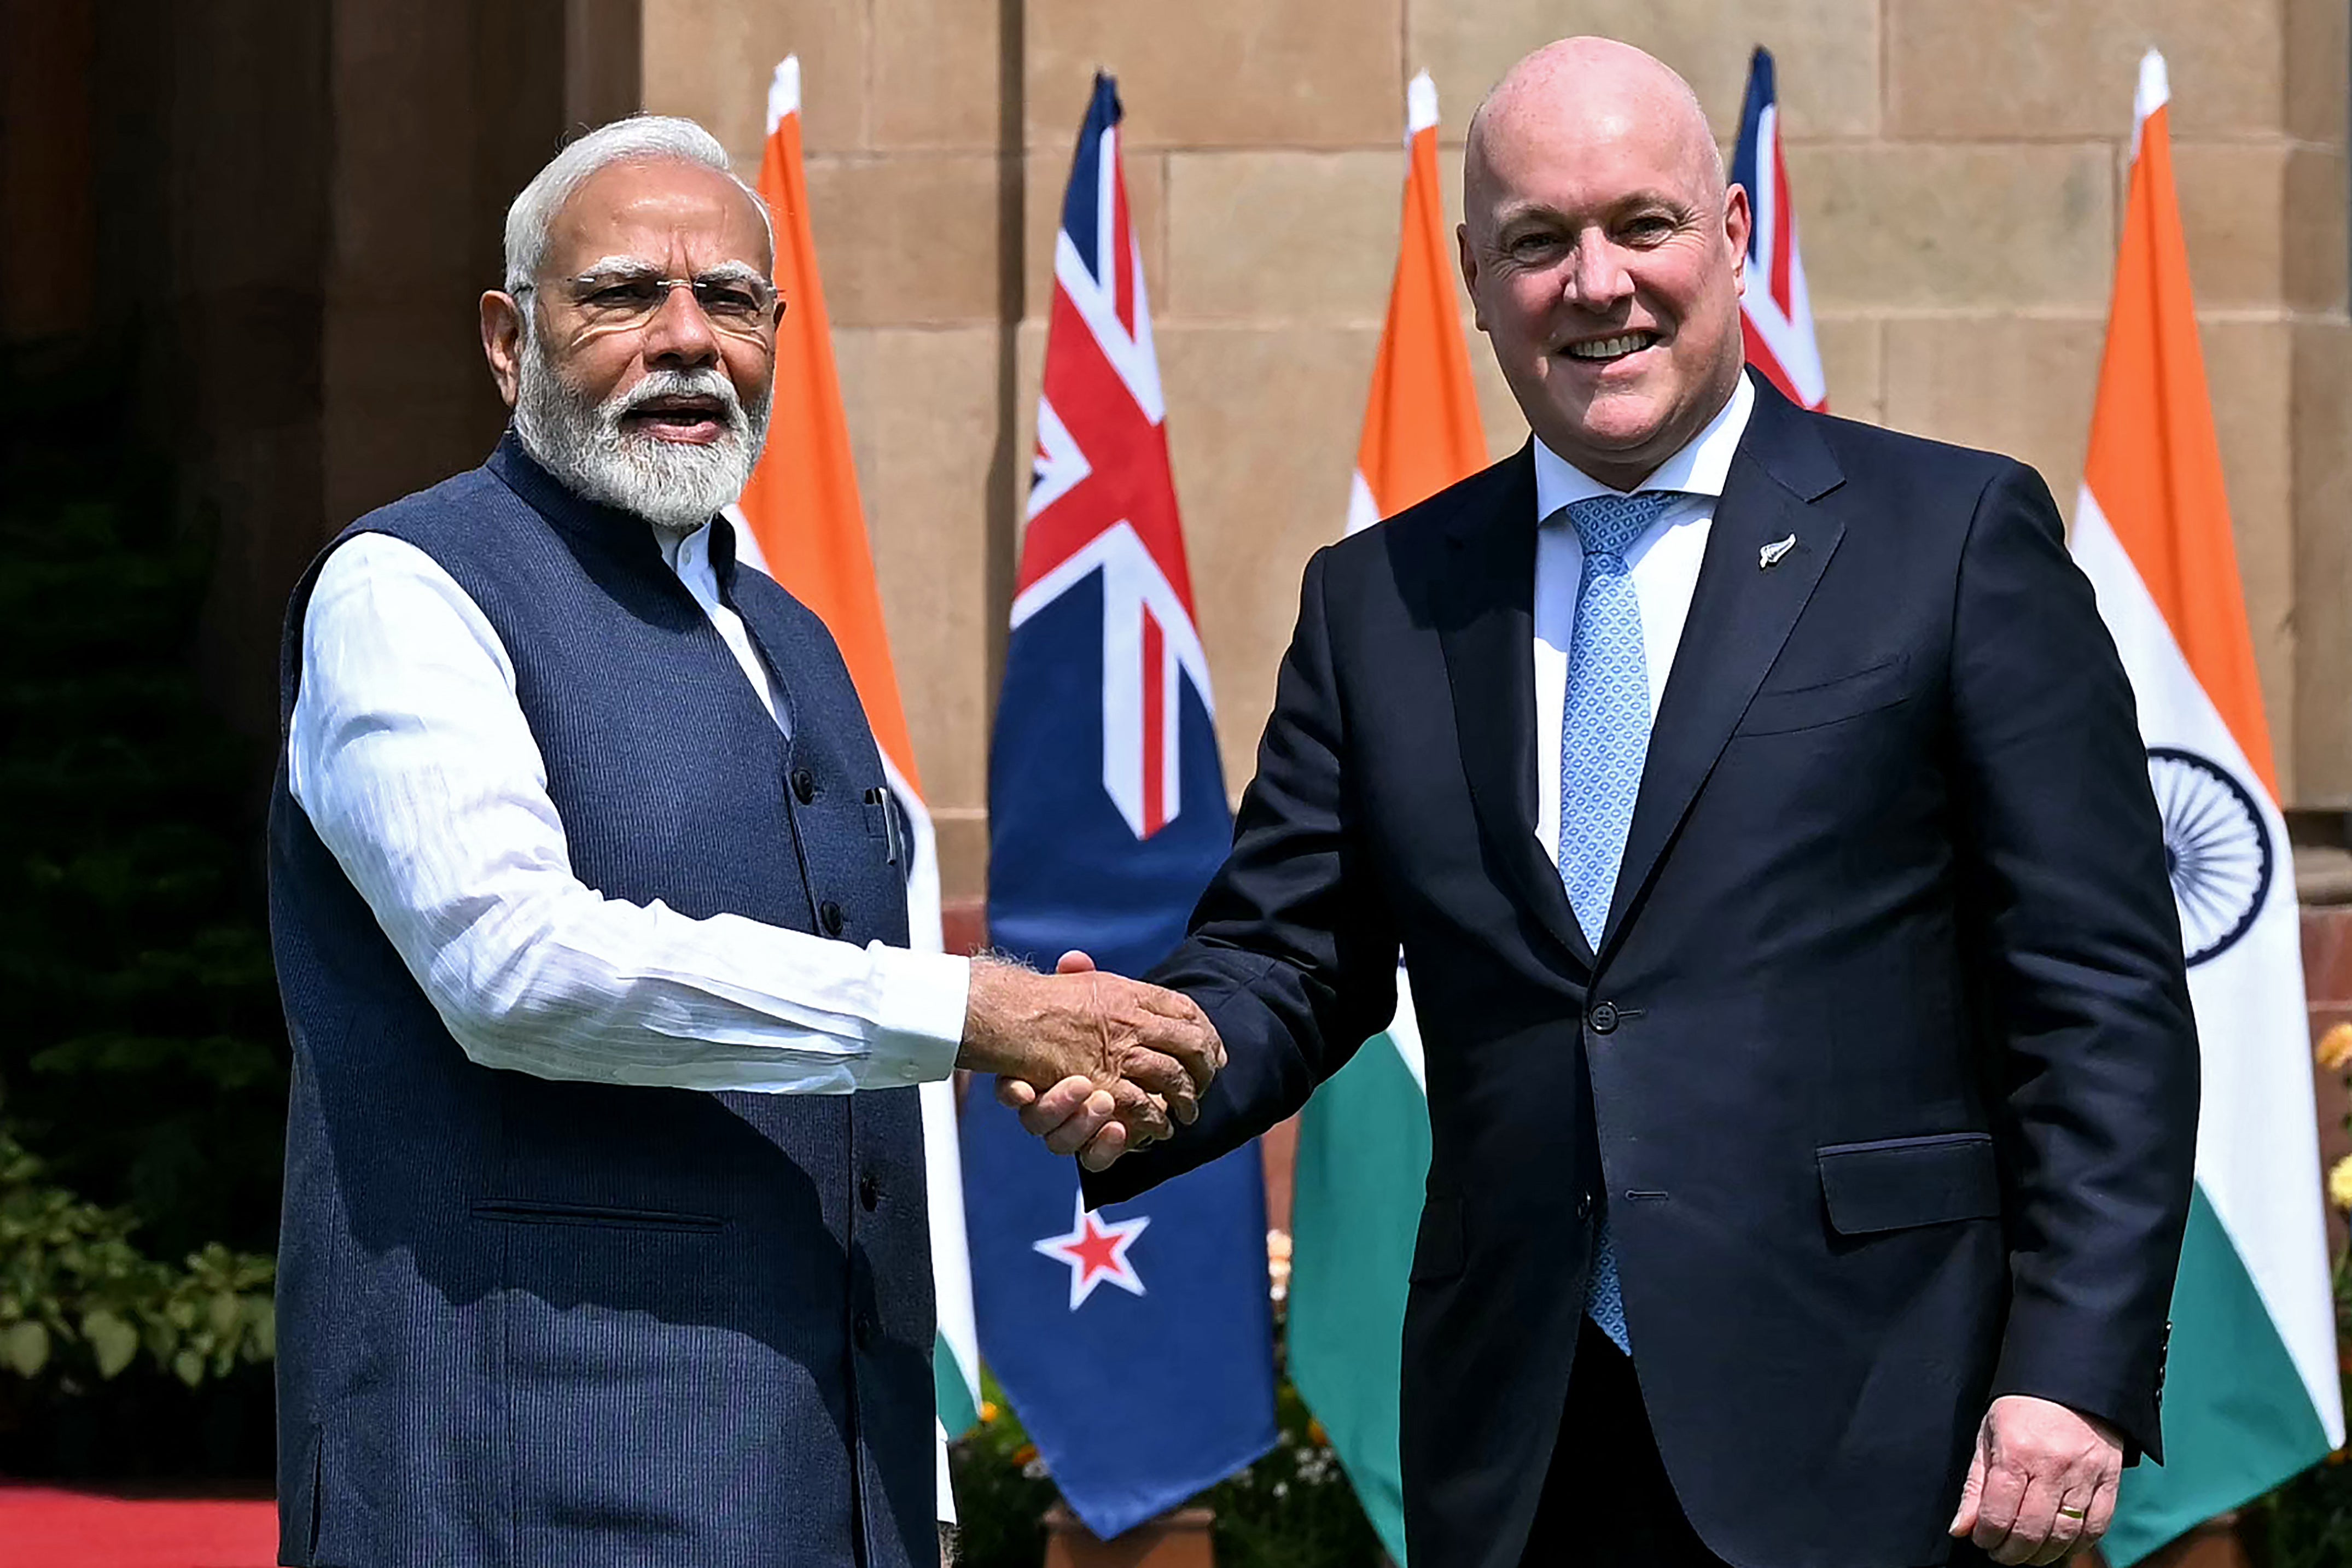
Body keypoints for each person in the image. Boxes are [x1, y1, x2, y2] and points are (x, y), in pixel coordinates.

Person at [1004, 37, 2199, 1568]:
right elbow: (1291, 955)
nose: (1595, 283)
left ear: (1732, 235)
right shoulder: (1381, 598)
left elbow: (2095, 990)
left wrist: (2073, 1368)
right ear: (1473, 276)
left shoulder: (1952, 537)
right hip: (1522, 1441)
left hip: (1890, 1427)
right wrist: (1140, 1062)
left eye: (1643, 224)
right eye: (1536, 242)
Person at [267, 115, 1218, 1568]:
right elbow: (511, 966)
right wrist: (976, 1010)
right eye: (620, 296)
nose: (684, 340)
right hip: (513, 1491)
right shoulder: (403, 589)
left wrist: (920, 1477)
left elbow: (868, 1105)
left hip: (832, 1490)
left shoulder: (795, 640)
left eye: (729, 300)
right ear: (507, 342)